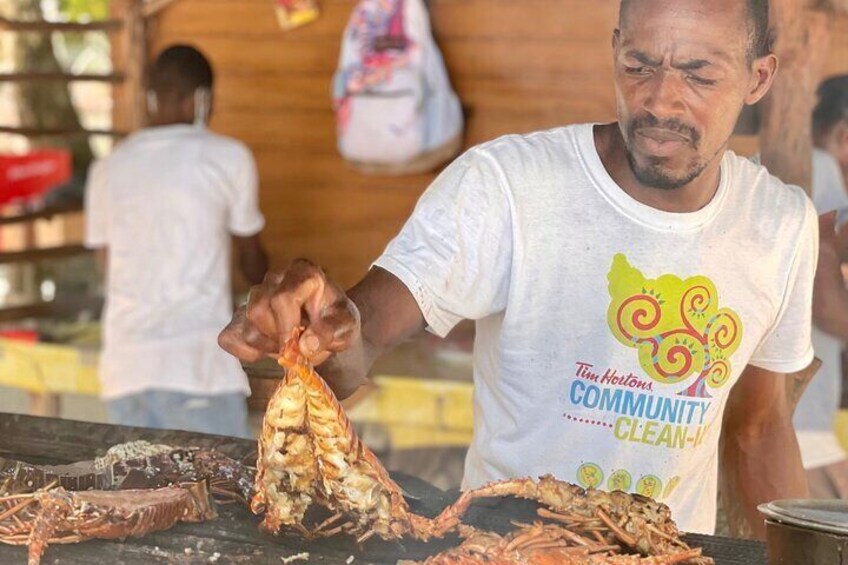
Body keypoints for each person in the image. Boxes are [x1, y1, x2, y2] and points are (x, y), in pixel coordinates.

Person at [220, 0, 815, 537]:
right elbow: (361, 335)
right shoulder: (507, 186)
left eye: (699, 73)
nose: (661, 99)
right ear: (614, 51)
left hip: (666, 553)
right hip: (503, 550)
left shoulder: (780, 225)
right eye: (639, 65)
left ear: (758, 77)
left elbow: (759, 429)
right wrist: (314, 331)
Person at [85, 45, 268, 438]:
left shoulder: (108, 168)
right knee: (216, 497)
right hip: (198, 369)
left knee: (136, 498)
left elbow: (107, 265)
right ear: (202, 99)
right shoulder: (228, 158)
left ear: (150, 98)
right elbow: (252, 262)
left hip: (126, 371)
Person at [795, 76, 848, 498]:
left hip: (803, 424)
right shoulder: (816, 165)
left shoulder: (796, 168)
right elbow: (825, 301)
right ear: (843, 134)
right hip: (799, 430)